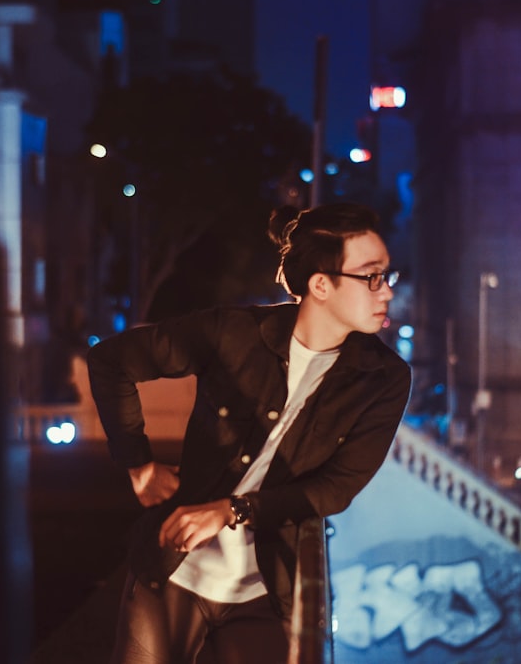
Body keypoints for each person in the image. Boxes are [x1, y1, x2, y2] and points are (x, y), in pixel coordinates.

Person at [87, 202, 412, 663]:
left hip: (267, 588)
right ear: (321, 284)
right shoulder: (234, 333)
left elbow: (336, 488)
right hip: (172, 573)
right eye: (372, 277)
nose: (386, 293)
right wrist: (137, 464)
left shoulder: (383, 379)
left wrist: (231, 510)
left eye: (388, 276)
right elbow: (111, 361)